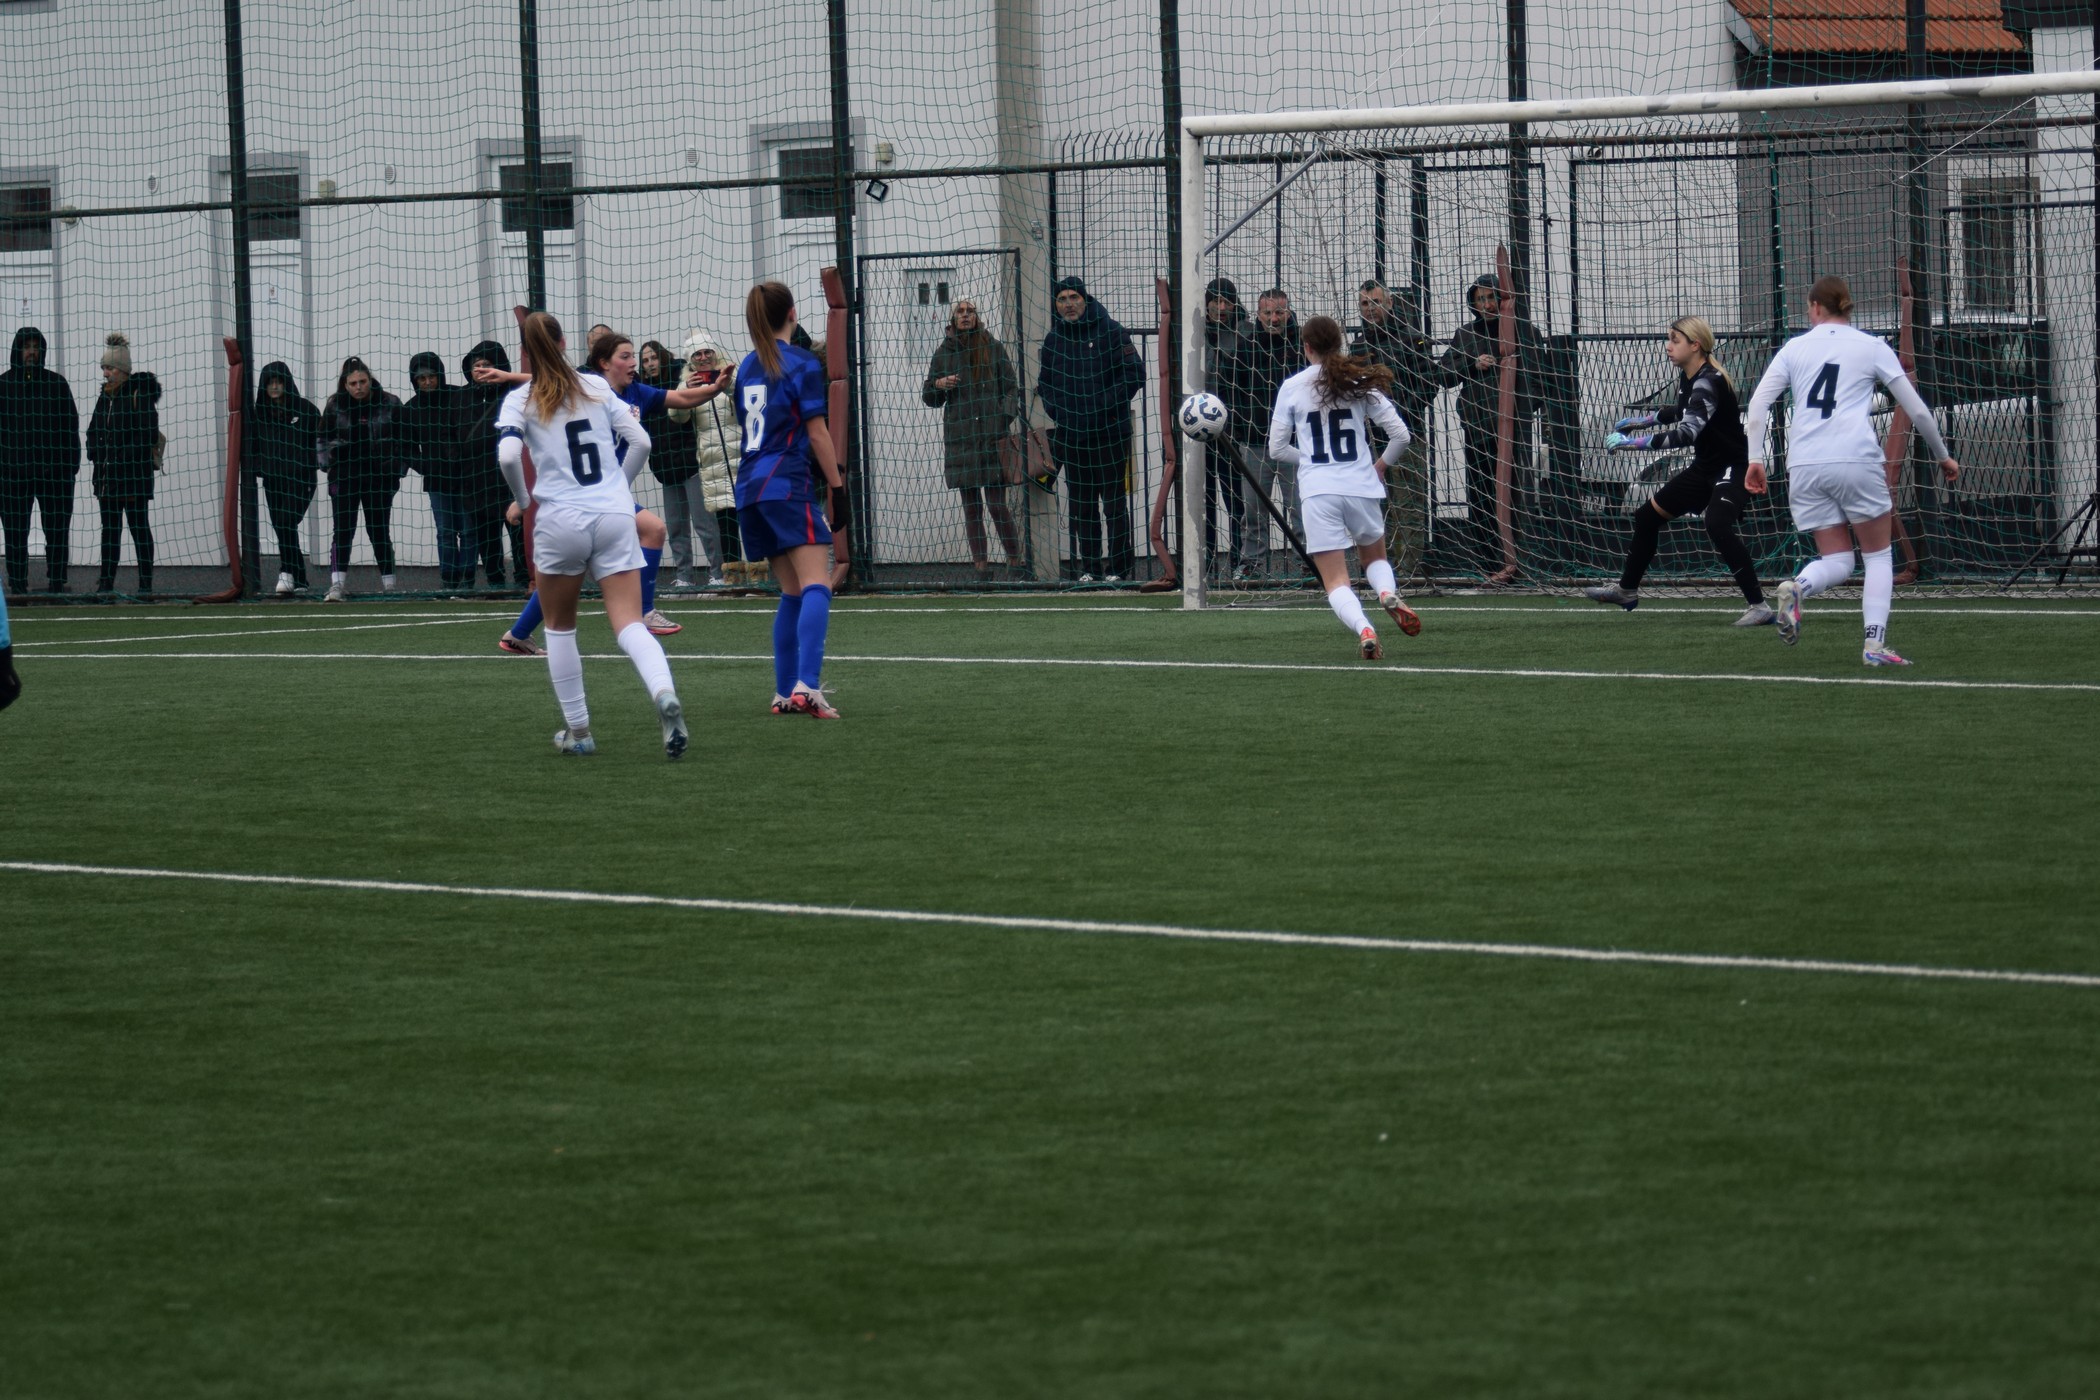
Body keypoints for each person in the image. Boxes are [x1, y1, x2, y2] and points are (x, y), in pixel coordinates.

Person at [493, 311, 687, 758]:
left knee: (560, 630)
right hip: (613, 515)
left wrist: (523, 501)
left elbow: (508, 456)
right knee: (630, 623)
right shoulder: (597, 386)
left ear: (526, 351)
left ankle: (579, 733)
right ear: (564, 343)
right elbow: (642, 442)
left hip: (560, 520)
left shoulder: (520, 398)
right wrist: (617, 487)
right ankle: (663, 692)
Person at [1745, 275, 1960, 665]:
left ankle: (1799, 586)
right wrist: (1943, 455)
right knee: (1877, 556)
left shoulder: (1794, 348)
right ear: (1847, 307)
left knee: (1838, 561)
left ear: (1815, 307)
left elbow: (1758, 405)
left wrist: (1755, 459)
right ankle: (1873, 646)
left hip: (1805, 463)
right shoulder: (1870, 346)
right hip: (1855, 458)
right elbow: (1916, 409)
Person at [484, 330, 718, 649]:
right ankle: (644, 611)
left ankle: (519, 633)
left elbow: (682, 399)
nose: (634, 362)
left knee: (569, 569)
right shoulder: (586, 388)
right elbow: (545, 385)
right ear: (604, 363)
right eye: (626, 356)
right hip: (583, 497)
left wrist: (715, 388)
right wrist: (508, 376)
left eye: (634, 356)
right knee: (653, 529)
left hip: (604, 496)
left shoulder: (636, 393)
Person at [1584, 317, 1772, 626]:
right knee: (1646, 516)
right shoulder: (1691, 376)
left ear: (1695, 345)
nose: (1668, 346)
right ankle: (1626, 590)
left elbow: (1686, 434)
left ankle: (1759, 606)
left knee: (1717, 523)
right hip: (1705, 468)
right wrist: (1642, 420)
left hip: (1732, 467)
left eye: (1675, 340)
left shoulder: (1708, 380)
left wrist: (1632, 443)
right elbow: (1682, 410)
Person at [1269, 315, 1423, 657]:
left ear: (1306, 347)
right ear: (1339, 343)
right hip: (1361, 485)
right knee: (1375, 557)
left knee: (1336, 579)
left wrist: (1311, 460)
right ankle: (1386, 593)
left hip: (1319, 491)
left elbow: (1276, 449)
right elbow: (1401, 435)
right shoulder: (1358, 380)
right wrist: (1380, 465)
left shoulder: (1293, 386)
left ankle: (1364, 628)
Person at [735, 281, 844, 718]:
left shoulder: (747, 366)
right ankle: (809, 686)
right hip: (785, 483)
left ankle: (784, 692)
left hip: (749, 489)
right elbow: (817, 432)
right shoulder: (801, 361)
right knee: (818, 583)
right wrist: (837, 487)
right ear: (793, 314)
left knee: (792, 590)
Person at [1038, 275, 1145, 583]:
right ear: (1056, 305)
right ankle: (1090, 569)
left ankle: (1119, 569)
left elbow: (1135, 374)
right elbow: (1045, 385)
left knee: (1114, 504)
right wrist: (1062, 413)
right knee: (1082, 507)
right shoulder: (1053, 340)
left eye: (1074, 297)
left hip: (1110, 434)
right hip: (1073, 438)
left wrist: (1101, 406)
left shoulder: (1112, 331)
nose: (1069, 304)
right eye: (1062, 299)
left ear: (1085, 299)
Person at [1439, 273, 1542, 583]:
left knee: (1515, 495)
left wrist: (1524, 408)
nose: (1486, 304)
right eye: (1480, 299)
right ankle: (1488, 565)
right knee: (1481, 497)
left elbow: (1542, 379)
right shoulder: (1466, 335)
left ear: (1503, 300)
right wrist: (1472, 364)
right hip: (1479, 430)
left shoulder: (1526, 333)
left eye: (1491, 297)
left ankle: (1521, 563)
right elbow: (1443, 374)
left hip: (1515, 432)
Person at [921, 297, 1022, 579]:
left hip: (992, 438)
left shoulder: (993, 347)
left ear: (977, 316)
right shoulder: (943, 353)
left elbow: (1011, 388)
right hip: (961, 440)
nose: (965, 315)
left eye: (970, 311)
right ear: (953, 318)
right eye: (960, 311)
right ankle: (981, 569)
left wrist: (1001, 418)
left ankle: (1015, 563)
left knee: (997, 505)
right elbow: (929, 396)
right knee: (972, 508)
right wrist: (939, 384)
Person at [1352, 281, 1439, 586]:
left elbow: (1430, 383)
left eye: (1376, 302)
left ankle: (1409, 572)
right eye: (1365, 304)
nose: (1371, 309)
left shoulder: (1411, 339)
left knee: (1408, 505)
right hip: (1369, 441)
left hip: (1407, 436)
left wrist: (1398, 411)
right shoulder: (1359, 347)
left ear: (1389, 304)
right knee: (1377, 508)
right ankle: (1381, 570)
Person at [0, 327, 80, 595]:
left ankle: (57, 580)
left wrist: (70, 468)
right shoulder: (3, 386)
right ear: (18, 350)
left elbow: (70, 428)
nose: (32, 352)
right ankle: (17, 583)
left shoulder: (57, 384)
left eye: (36, 347)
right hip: (13, 476)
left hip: (53, 475)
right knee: (15, 533)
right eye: (27, 347)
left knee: (57, 530)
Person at [318, 356, 403, 601]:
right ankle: (337, 585)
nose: (358, 387)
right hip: (344, 477)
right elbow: (322, 439)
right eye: (353, 383)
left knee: (379, 530)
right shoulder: (335, 406)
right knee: (343, 530)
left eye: (362, 382)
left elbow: (404, 439)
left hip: (379, 477)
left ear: (370, 380)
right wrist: (328, 464)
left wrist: (396, 469)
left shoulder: (390, 403)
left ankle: (389, 586)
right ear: (345, 384)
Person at [85, 333, 161, 595]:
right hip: (107, 479)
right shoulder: (104, 398)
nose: (106, 373)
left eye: (110, 368)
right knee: (110, 532)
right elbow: (93, 430)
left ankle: (145, 586)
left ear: (124, 370)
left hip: (133, 479)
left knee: (139, 529)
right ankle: (106, 585)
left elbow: (148, 434)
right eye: (104, 368)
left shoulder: (140, 395)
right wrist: (94, 452)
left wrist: (120, 457)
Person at [398, 351, 478, 593]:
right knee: (445, 531)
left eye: (431, 377)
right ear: (415, 381)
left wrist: (465, 460)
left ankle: (468, 580)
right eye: (421, 379)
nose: (427, 382)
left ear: (439, 375)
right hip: (436, 480)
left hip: (465, 477)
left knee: (469, 530)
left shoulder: (459, 397)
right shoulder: (410, 409)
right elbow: (406, 448)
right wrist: (426, 466)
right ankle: (449, 580)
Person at [1236, 288, 1301, 579]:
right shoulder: (1245, 349)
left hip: (1295, 444)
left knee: (1300, 508)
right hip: (1255, 443)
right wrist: (1240, 430)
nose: (1273, 319)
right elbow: (1231, 392)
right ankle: (1252, 565)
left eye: (1279, 312)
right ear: (1258, 315)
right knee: (1253, 510)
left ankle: (1308, 563)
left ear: (1288, 313)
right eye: (1267, 313)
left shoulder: (1301, 348)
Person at [669, 330, 742, 585]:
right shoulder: (687, 383)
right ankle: (732, 578)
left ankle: (758, 577)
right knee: (726, 525)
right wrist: (685, 389)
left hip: (742, 460)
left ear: (715, 353)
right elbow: (677, 416)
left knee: (752, 520)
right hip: (714, 466)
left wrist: (725, 383)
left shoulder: (731, 374)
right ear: (690, 360)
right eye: (697, 354)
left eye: (707, 352)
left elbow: (744, 400)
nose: (703, 358)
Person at [637, 339, 709, 588]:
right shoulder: (644, 391)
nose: (650, 364)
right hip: (666, 469)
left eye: (653, 358)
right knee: (676, 528)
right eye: (645, 361)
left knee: (704, 524)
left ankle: (717, 574)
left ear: (663, 357)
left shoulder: (682, 378)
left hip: (691, 466)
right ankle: (684, 577)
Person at [1198, 278, 1256, 574]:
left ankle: (1239, 561)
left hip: (1234, 431)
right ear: (1206, 303)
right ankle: (1204, 562)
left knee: (1236, 501)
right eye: (1215, 301)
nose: (1221, 307)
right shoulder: (1194, 332)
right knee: (1202, 501)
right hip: (1199, 432)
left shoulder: (1247, 333)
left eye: (1227, 302)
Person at [251, 362, 321, 596]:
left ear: (286, 383)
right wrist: (261, 468)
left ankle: (286, 571)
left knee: (285, 521)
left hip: (302, 480)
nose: (274, 387)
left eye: (278, 381)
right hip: (273, 481)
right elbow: (251, 447)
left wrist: (308, 464)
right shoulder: (258, 415)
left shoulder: (307, 411)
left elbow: (319, 444)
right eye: (270, 382)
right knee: (283, 526)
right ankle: (298, 579)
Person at [462, 339, 526, 592]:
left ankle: (524, 579)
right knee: (487, 538)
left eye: (486, 364)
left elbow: (544, 380)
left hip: (512, 479)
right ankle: (495, 583)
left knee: (520, 533)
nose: (481, 370)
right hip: (477, 480)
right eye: (476, 366)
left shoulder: (516, 393)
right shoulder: (461, 398)